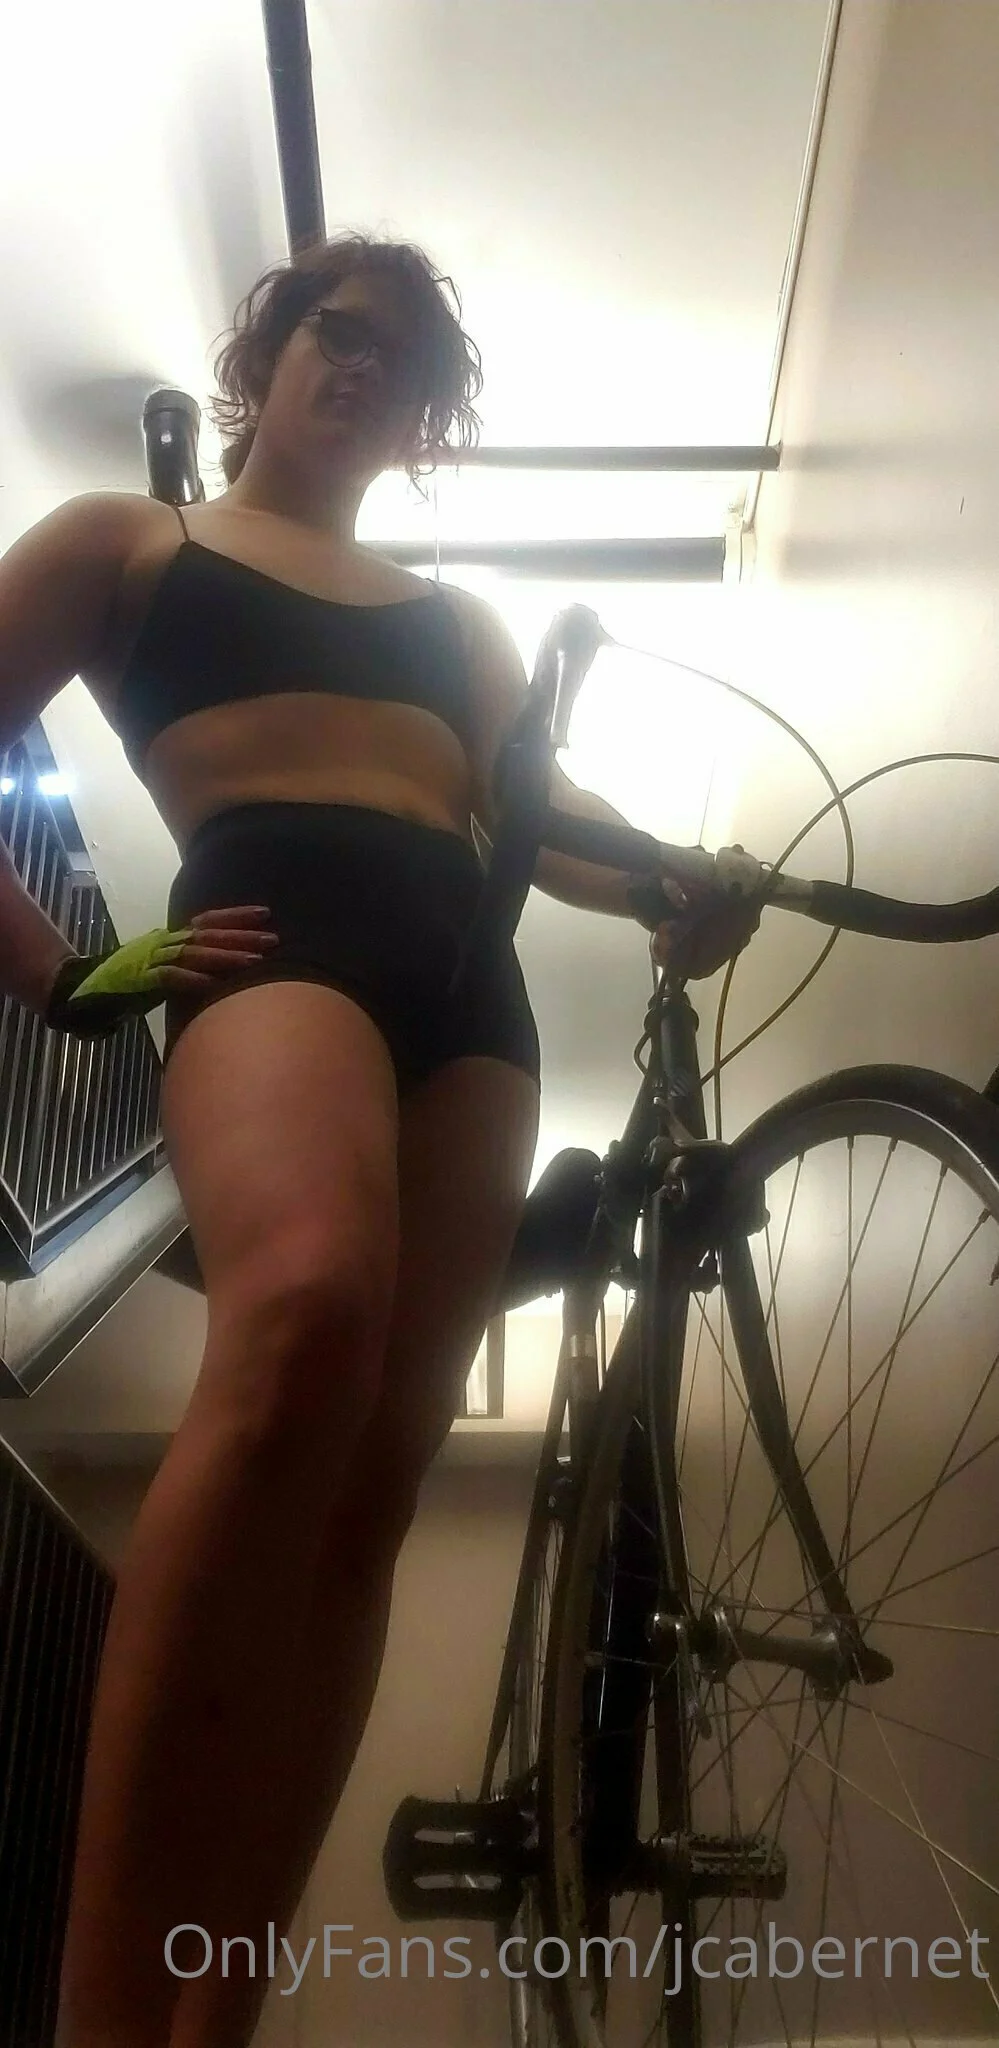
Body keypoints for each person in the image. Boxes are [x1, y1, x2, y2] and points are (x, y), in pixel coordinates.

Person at [0, 231, 758, 2048]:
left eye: (407, 366)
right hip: (274, 933)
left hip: (469, 996)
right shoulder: (129, 542)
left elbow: (539, 813)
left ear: (426, 422)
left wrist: (673, 875)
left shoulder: (456, 623)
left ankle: (216, 2024)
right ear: (269, 350)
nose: (366, 369)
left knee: (369, 1498)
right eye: (340, 332)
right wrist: (63, 976)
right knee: (303, 1321)